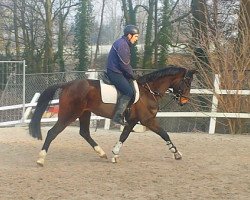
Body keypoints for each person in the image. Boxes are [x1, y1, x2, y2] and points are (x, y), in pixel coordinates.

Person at [106, 24, 139, 126]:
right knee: (129, 92)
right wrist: (133, 75)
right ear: (129, 35)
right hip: (115, 72)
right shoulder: (123, 45)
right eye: (136, 36)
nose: (136, 39)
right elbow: (124, 65)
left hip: (117, 71)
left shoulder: (123, 43)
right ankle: (117, 116)